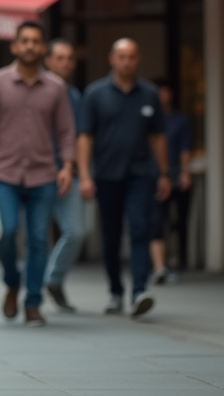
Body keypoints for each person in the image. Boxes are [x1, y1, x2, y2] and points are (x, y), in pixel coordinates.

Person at [0, 22, 75, 327]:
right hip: (3, 173)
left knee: (38, 239)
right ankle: (12, 281)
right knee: (5, 231)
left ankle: (33, 303)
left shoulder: (56, 87)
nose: (30, 46)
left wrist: (67, 166)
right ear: (15, 46)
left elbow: (66, 131)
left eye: (35, 42)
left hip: (44, 175)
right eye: (24, 41)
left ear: (43, 48)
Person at [78, 38, 171, 318]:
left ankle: (140, 290)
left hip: (140, 174)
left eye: (131, 56)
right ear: (112, 59)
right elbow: (85, 136)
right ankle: (116, 291)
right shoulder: (95, 94)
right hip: (106, 174)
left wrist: (165, 173)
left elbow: (157, 136)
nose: (126, 61)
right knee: (111, 236)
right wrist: (84, 175)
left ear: (138, 59)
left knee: (140, 229)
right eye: (121, 56)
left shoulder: (150, 94)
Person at [42, 38, 87, 312]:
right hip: (36, 174)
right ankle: (32, 293)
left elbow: (80, 137)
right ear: (48, 60)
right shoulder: (35, 91)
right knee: (36, 235)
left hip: (67, 172)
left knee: (77, 232)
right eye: (60, 57)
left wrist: (77, 170)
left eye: (70, 58)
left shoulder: (75, 96)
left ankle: (53, 279)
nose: (66, 63)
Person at [150, 79, 194, 282]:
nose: (162, 95)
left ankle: (180, 261)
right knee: (157, 220)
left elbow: (185, 147)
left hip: (176, 174)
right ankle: (160, 266)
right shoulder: (148, 117)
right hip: (154, 175)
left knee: (180, 221)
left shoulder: (179, 119)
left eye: (166, 91)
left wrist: (185, 172)